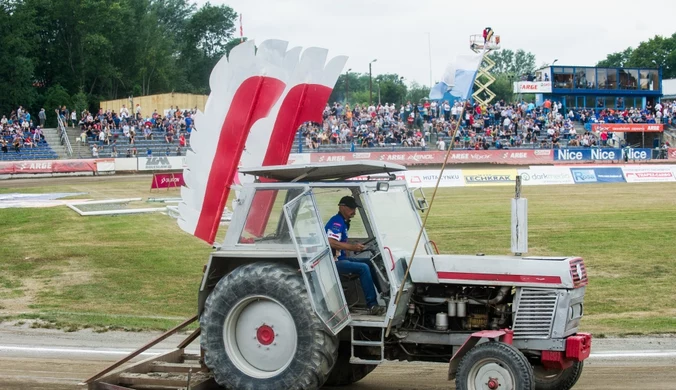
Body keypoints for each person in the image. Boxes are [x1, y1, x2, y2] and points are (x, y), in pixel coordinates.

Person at [325, 196, 385, 315]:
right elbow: (331, 242)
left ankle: (384, 293)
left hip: (341, 259)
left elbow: (340, 242)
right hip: (332, 262)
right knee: (363, 267)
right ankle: (372, 305)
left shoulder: (344, 222)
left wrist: (354, 245)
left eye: (355, 208)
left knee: (370, 262)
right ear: (342, 207)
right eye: (352, 208)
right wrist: (352, 247)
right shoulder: (337, 222)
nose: (354, 211)